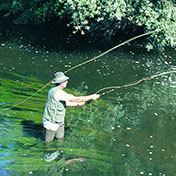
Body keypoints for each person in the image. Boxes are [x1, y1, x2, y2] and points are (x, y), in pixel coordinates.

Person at [43, 72, 100, 143]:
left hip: (59, 121)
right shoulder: (58, 93)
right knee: (48, 142)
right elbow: (75, 99)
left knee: (60, 140)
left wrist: (79, 104)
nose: (67, 81)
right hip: (51, 122)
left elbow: (65, 103)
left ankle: (58, 152)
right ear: (60, 82)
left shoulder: (54, 89)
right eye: (65, 80)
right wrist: (91, 97)